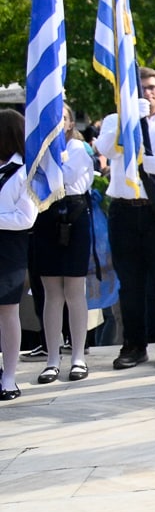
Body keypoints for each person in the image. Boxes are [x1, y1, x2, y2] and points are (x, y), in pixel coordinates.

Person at [97, 67, 155, 369]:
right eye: (140, 89)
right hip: (125, 208)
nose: (147, 94)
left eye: (152, 88)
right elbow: (106, 149)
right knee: (130, 283)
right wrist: (127, 122)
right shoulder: (114, 121)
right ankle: (134, 345)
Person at [30, 105, 95, 384]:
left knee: (74, 290)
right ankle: (52, 359)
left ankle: (78, 356)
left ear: (70, 124)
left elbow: (60, 179)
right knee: (51, 293)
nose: (58, 124)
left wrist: (42, 164)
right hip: (47, 216)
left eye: (63, 119)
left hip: (73, 216)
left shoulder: (77, 149)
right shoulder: (39, 151)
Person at [0, 111, 42, 400]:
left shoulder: (26, 171)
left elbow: (26, 218)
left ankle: (10, 378)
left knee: (7, 311)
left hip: (9, 248)